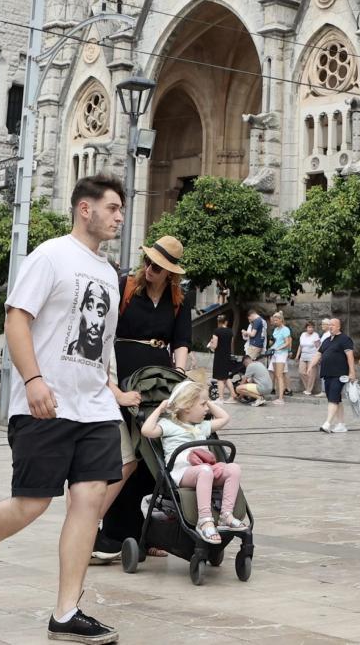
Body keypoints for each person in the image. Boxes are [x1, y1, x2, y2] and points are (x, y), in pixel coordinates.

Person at [0, 174, 140, 645]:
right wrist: (32, 380)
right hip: (45, 404)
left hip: (93, 408)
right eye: (112, 208)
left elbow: (103, 344)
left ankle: (67, 612)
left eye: (121, 210)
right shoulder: (50, 256)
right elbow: (16, 320)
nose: (119, 217)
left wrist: (108, 388)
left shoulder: (111, 274)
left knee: (89, 504)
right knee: (31, 504)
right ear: (85, 209)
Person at [92, 235, 191, 564]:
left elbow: (181, 342)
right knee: (125, 456)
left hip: (158, 380)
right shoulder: (125, 288)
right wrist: (113, 387)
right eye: (148, 262)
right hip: (123, 375)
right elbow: (104, 335)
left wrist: (179, 378)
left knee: (152, 456)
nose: (150, 269)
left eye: (158, 267)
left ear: (170, 274)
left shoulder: (179, 300)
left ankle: (147, 534)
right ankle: (113, 533)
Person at [140, 381, 248, 545]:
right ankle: (204, 520)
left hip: (206, 471)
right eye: (203, 404)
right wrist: (160, 409)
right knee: (205, 470)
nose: (207, 408)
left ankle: (226, 515)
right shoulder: (168, 425)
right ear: (187, 406)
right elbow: (146, 431)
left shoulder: (202, 426)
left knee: (233, 468)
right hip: (182, 472)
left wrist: (207, 401)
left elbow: (225, 417)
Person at [316, 316, 356, 434]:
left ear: (338, 326)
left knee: (333, 398)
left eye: (332, 325)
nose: (330, 327)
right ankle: (341, 424)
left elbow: (350, 356)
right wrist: (310, 366)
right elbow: (318, 354)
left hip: (339, 374)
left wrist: (352, 372)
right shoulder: (327, 340)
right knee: (335, 399)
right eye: (329, 325)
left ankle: (327, 423)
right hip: (327, 374)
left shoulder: (345, 339)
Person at [209, 314, 241, 403]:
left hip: (219, 356)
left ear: (218, 322)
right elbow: (230, 344)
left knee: (220, 378)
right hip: (227, 356)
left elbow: (214, 346)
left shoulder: (217, 331)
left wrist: (211, 345)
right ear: (226, 322)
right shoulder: (230, 332)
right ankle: (233, 395)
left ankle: (221, 398)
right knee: (226, 377)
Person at [268, 312, 291, 403]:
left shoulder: (285, 329)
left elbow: (287, 342)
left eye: (276, 320)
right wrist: (271, 344)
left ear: (281, 320)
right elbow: (274, 341)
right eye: (274, 320)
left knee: (279, 375)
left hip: (281, 353)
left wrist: (278, 348)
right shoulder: (276, 329)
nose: (275, 321)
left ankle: (281, 398)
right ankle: (278, 395)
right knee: (274, 374)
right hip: (274, 353)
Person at [296, 321, 320, 396]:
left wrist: (318, 357)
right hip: (303, 356)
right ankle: (307, 387)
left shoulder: (315, 335)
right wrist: (297, 356)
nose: (311, 329)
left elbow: (318, 347)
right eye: (309, 327)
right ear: (306, 328)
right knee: (301, 372)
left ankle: (309, 390)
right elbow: (300, 346)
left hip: (312, 356)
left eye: (312, 327)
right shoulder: (303, 335)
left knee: (311, 374)